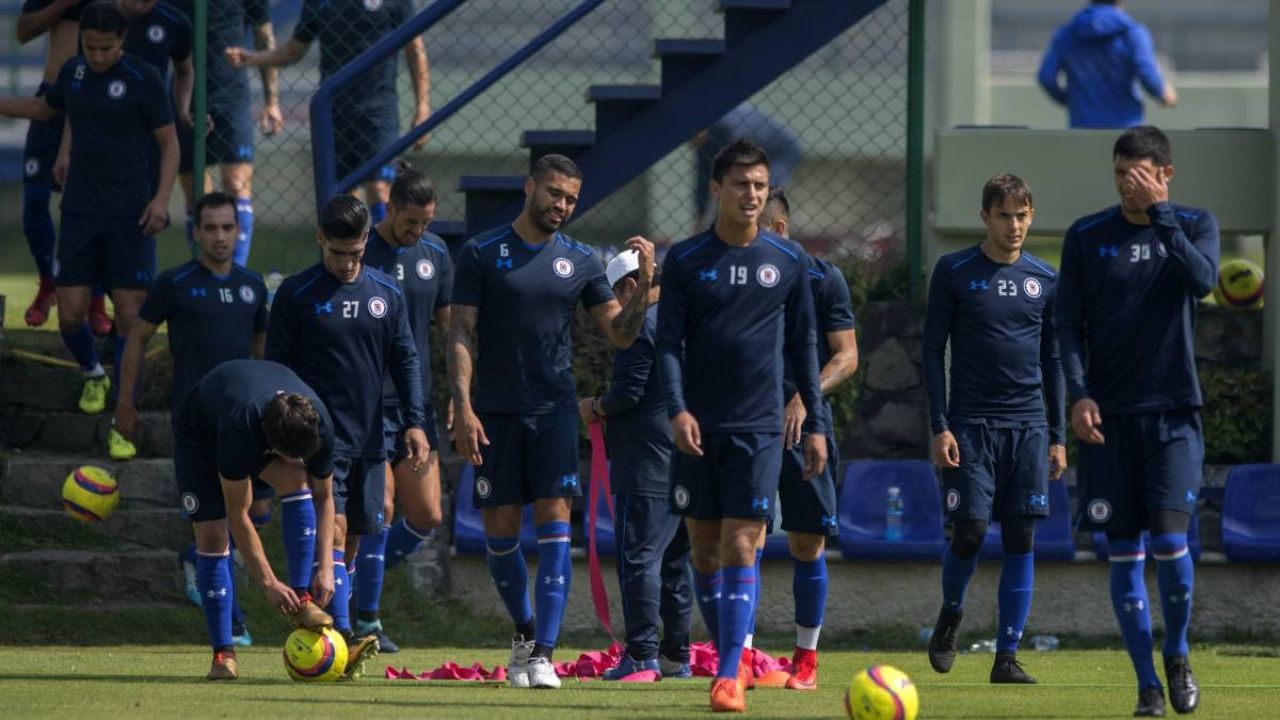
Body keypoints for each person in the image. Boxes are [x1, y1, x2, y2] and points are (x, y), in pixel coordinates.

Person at [447, 154, 655, 689]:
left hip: (555, 413)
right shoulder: (481, 252)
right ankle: (523, 633)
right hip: (493, 413)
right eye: (554, 193)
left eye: (570, 199)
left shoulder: (582, 261)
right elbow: (460, 336)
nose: (561, 205)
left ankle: (543, 653)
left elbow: (621, 335)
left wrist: (647, 279)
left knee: (556, 531)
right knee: (499, 536)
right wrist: (463, 406)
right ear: (529, 186)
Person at [655, 138, 826, 713]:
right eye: (740, 185)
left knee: (741, 545)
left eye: (759, 185)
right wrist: (677, 409)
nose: (751, 194)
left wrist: (818, 424)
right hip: (699, 429)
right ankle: (729, 654)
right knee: (703, 552)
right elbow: (669, 345)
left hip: (759, 430)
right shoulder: (684, 259)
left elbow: (805, 346)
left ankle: (729, 674)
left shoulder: (788, 261)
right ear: (716, 189)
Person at [1056, 126, 1216, 717]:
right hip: (1109, 422)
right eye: (1121, 173)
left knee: (1172, 544)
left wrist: (1161, 215)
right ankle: (1147, 683)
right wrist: (1078, 394)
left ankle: (1177, 654)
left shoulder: (1195, 224)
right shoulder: (1088, 235)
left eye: (1140, 173)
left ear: (1165, 175)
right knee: (1123, 555)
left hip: (1173, 414)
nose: (1128, 184)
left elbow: (1202, 282)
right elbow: (1068, 325)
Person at [266, 194, 428, 661]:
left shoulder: (386, 294)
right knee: (332, 531)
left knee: (356, 536)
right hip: (318, 441)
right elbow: (275, 368)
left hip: (372, 438)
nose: (346, 263)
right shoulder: (296, 295)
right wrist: (285, 433)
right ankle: (338, 638)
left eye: (355, 253)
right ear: (321, 240)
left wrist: (415, 424)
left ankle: (345, 623)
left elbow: (407, 361)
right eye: (337, 253)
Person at [921, 173, 1066, 687]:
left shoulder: (1045, 279)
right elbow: (931, 352)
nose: (1014, 225)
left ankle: (1006, 657)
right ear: (985, 216)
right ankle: (952, 614)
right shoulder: (955, 271)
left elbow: (1053, 360)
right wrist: (939, 426)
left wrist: (1058, 435)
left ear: (1032, 216)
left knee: (1022, 536)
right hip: (971, 426)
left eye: (1022, 215)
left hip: (1027, 426)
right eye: (1004, 215)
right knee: (972, 531)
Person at [0, 0, 177, 417]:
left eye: (106, 49)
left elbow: (169, 143)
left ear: (122, 41)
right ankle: (93, 373)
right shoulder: (74, 72)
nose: (97, 57)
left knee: (131, 313)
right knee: (71, 315)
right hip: (80, 211)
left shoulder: (142, 77)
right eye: (90, 47)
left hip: (130, 212)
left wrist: (161, 199)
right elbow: (49, 109)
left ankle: (124, 401)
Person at [111, 191, 268, 643]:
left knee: (257, 511)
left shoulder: (252, 285)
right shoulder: (174, 283)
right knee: (217, 524)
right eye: (211, 228)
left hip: (245, 424)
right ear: (196, 232)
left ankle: (193, 557)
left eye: (227, 228)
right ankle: (233, 624)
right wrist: (126, 402)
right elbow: (137, 341)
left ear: (238, 232)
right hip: (196, 424)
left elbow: (261, 354)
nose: (220, 237)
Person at [752, 187, 858, 692]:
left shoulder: (823, 278)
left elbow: (847, 355)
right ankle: (741, 659)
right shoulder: (734, 275)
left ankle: (806, 661)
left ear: (776, 229)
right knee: (742, 539)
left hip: (805, 426)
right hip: (746, 424)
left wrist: (806, 398)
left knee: (806, 541)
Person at [173, 359, 337, 680]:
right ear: (270, 446)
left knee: (297, 481)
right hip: (201, 437)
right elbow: (238, 515)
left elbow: (325, 497)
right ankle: (223, 654)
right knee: (213, 534)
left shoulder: (319, 423)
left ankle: (302, 598)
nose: (300, 460)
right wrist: (269, 582)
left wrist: (326, 566)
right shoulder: (241, 428)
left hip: (258, 414)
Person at [578, 249, 693, 682]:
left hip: (646, 461)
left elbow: (627, 393)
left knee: (640, 559)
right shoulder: (683, 319)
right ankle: (675, 656)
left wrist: (593, 406)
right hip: (684, 458)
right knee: (676, 563)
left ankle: (642, 654)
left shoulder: (639, 324)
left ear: (628, 286)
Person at [357, 167, 452, 653]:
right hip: (371, 404)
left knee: (427, 514)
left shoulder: (435, 254)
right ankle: (367, 620)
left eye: (426, 222)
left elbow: (450, 332)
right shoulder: (361, 251)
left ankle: (355, 575)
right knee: (381, 509)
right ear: (389, 207)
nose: (418, 232)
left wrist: (461, 394)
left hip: (418, 406)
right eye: (411, 222)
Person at [225, 0, 429, 222]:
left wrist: (423, 107)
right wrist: (253, 58)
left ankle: (383, 255)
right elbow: (293, 51)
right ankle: (355, 254)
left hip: (379, 111)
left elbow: (415, 50)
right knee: (344, 202)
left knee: (380, 189)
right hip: (333, 114)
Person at [15, 0, 112, 336]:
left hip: (97, 101)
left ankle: (96, 301)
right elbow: (23, 32)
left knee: (93, 208)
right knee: (35, 201)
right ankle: (47, 286)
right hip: (52, 100)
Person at [170, 0, 281, 265]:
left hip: (233, 96)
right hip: (186, 97)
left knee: (236, 182)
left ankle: (236, 272)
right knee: (197, 194)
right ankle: (206, 271)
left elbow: (264, 36)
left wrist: (271, 101)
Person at [1037, 0, 1177, 129]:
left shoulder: (1066, 34)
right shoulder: (1132, 32)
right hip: (1125, 131)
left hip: (1082, 129)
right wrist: (1163, 92)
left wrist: (1070, 101)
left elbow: (1046, 77)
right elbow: (1146, 72)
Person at [119, 0, 193, 202]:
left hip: (149, 131)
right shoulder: (98, 16)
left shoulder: (174, 22)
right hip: (104, 125)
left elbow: (185, 71)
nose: (140, 5)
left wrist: (183, 110)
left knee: (144, 208)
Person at [693, 103, 801, 231]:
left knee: (758, 197)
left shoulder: (727, 130)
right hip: (757, 147)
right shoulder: (707, 138)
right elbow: (704, 177)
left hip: (779, 152)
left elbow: (736, 176)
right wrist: (700, 218)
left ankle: (769, 235)